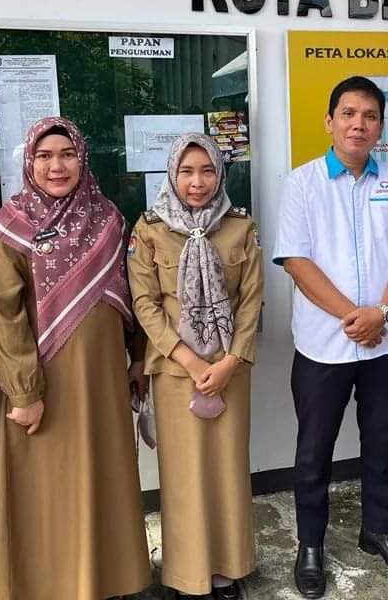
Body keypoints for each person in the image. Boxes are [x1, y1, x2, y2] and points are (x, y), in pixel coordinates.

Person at [0, 117, 151, 600]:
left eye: (67, 154)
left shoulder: (109, 218)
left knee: (103, 476)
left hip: (102, 379)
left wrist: (138, 359)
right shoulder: (10, 226)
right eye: (44, 156)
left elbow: (132, 296)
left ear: (82, 158)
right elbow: (3, 314)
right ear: (29, 163)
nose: (56, 166)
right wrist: (24, 392)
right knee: (48, 486)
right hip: (43, 382)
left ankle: (107, 581)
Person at [273, 76, 388, 598]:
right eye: (348, 113)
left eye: (369, 116)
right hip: (323, 345)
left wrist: (381, 314)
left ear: (380, 127)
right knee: (313, 450)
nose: (358, 124)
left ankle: (377, 531)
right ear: (329, 121)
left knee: (381, 441)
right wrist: (355, 318)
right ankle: (311, 544)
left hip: (387, 343)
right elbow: (296, 261)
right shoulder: (302, 183)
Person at [128, 133, 264, 599]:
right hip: (174, 372)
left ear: (220, 174)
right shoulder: (150, 228)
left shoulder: (239, 226)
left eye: (207, 171)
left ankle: (227, 569)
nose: (197, 182)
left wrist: (230, 361)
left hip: (229, 370)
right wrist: (186, 358)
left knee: (227, 469)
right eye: (186, 171)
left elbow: (251, 300)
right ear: (172, 174)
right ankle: (188, 575)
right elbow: (144, 303)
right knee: (184, 475)